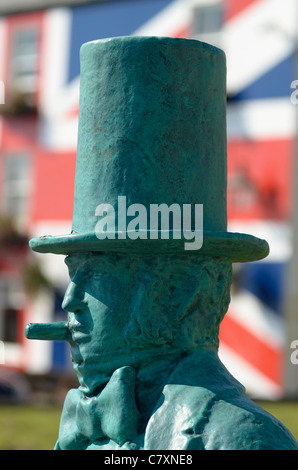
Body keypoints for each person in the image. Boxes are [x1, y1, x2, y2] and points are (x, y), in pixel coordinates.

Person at [26, 36, 298, 450]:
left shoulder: (241, 438)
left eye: (96, 277)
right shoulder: (86, 422)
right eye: (72, 275)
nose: (70, 301)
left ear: (174, 294)